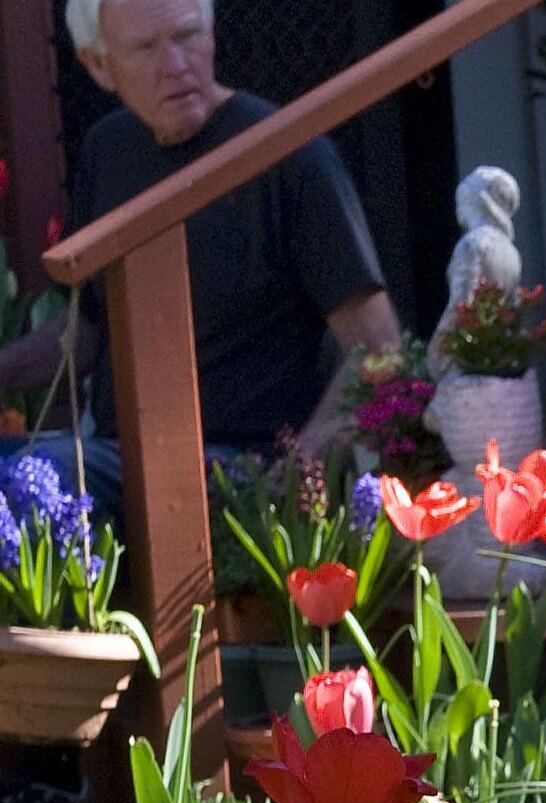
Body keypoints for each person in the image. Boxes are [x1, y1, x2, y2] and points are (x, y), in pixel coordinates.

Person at [0, 0, 404, 507]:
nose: (175, 64)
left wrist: (305, 463)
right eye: (146, 48)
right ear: (98, 65)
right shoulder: (109, 151)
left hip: (240, 466)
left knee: (31, 480)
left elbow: (380, 349)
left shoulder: (288, 152)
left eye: (187, 36)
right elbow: (88, 330)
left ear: (212, 36)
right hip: (115, 460)